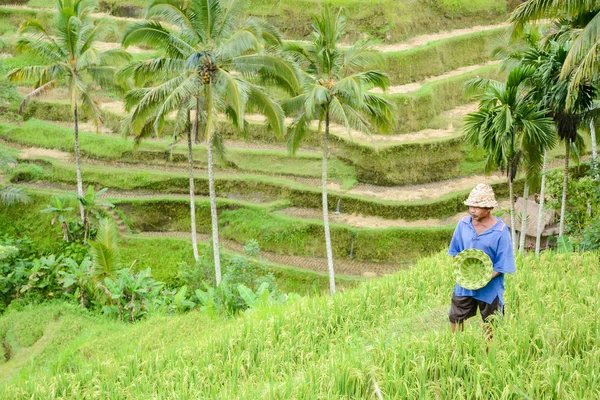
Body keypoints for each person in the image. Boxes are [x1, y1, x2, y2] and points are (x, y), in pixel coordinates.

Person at [448, 183, 516, 335]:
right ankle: (457, 348)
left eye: (477, 207)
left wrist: (483, 278)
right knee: (455, 316)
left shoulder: (500, 231)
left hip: (490, 287)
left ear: (489, 208)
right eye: (471, 206)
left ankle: (489, 354)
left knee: (491, 322)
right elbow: (455, 252)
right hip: (465, 283)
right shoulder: (463, 224)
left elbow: (502, 262)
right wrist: (466, 275)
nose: (472, 210)